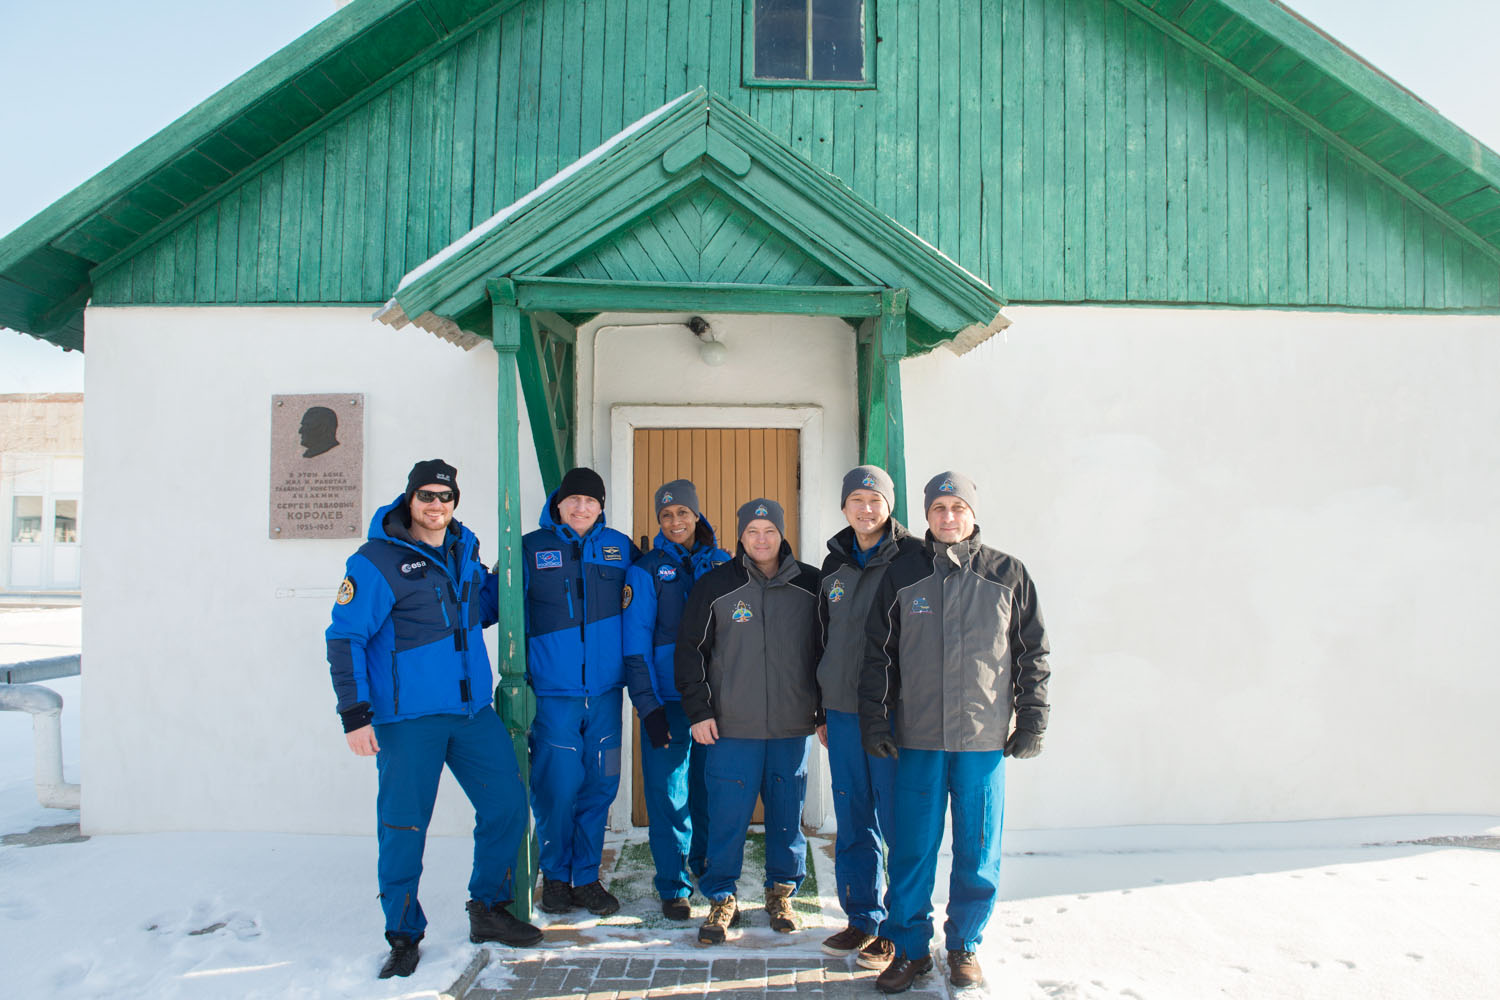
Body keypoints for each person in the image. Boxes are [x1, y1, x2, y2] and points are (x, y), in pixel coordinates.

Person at [326, 459, 542, 980]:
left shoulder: (464, 550)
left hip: (471, 714)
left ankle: (487, 908)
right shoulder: (376, 561)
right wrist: (355, 717)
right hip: (407, 722)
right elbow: (344, 637)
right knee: (404, 827)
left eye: (445, 497)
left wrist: (513, 572)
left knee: (508, 804)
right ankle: (403, 934)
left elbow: (485, 609)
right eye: (426, 496)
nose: (436, 505)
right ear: (409, 499)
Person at [859, 471, 1051, 993]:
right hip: (917, 739)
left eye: (957, 508)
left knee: (977, 848)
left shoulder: (1007, 575)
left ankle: (964, 945)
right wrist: (877, 720)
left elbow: (1033, 655)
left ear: (972, 513)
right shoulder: (902, 576)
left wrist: (1031, 717)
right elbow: (877, 657)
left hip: (981, 742)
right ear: (926, 515)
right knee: (912, 851)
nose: (948, 517)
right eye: (938, 508)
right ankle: (912, 949)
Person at [675, 498, 821, 945]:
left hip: (792, 727)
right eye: (752, 531)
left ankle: (781, 893)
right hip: (731, 728)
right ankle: (721, 897)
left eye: (769, 531)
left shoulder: (812, 585)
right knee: (727, 817)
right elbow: (689, 652)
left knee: (785, 815)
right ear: (740, 536)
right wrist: (699, 712)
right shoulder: (716, 585)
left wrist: (824, 712)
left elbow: (830, 652)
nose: (761, 539)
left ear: (782, 534)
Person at [814, 466, 922, 970]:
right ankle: (863, 916)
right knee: (852, 815)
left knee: (896, 819)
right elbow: (822, 642)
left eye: (874, 499)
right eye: (856, 499)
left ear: (889, 505)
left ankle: (900, 927)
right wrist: (820, 710)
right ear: (843, 507)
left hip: (893, 714)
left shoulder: (914, 559)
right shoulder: (832, 569)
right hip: (840, 711)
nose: (865, 508)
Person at [521, 466, 635, 918]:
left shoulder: (619, 549)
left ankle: (586, 877)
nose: (582, 507)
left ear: (601, 506)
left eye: (591, 500)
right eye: (574, 500)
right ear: (559, 503)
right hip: (555, 696)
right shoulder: (531, 548)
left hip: (606, 695)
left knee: (599, 786)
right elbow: (497, 604)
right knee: (556, 789)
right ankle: (555, 878)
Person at [622, 479, 731, 919]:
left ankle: (706, 866)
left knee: (710, 788)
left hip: (714, 702)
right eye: (666, 515)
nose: (674, 522)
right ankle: (673, 883)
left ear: (697, 514)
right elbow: (635, 643)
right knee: (669, 794)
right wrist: (648, 707)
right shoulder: (645, 570)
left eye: (682, 513)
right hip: (667, 701)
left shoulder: (722, 564)